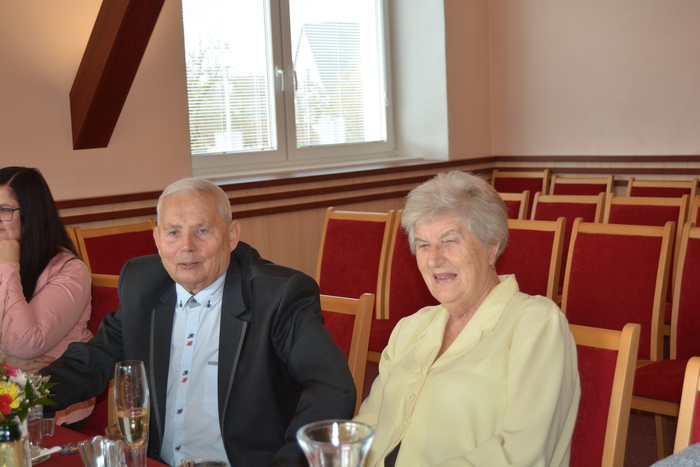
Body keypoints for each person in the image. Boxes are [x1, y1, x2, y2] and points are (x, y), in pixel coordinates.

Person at [40, 177, 356, 466]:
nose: (187, 246)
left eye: (202, 230)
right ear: (157, 239)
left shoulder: (277, 295)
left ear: (231, 235)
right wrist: (22, 397)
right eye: (173, 232)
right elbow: (95, 359)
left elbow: (332, 385)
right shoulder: (142, 285)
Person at [354, 171, 580, 467]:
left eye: (449, 241)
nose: (434, 259)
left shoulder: (537, 324)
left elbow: (520, 454)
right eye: (423, 245)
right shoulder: (410, 327)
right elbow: (370, 422)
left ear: (491, 248)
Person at [0, 166, 93, 425]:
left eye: (4, 210)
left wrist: (8, 266)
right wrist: (7, 362)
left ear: (32, 213)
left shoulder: (70, 270)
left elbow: (24, 344)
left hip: (49, 406)